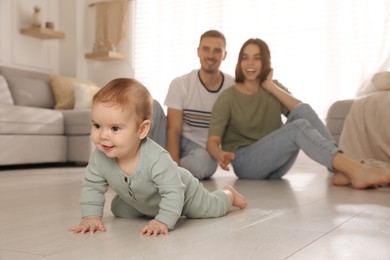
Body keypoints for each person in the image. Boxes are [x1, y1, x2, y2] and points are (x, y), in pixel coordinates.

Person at [69, 78, 247, 236]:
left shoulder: (156, 158)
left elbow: (173, 192)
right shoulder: (99, 157)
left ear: (142, 130)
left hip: (183, 192)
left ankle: (228, 194)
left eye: (114, 128)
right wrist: (91, 217)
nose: (103, 136)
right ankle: (142, 205)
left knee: (211, 209)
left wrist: (163, 220)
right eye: (97, 125)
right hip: (142, 200)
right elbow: (92, 186)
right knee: (118, 209)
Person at [206, 38, 390, 189]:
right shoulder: (228, 97)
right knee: (298, 128)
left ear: (265, 62)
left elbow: (301, 110)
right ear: (239, 63)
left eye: (257, 58)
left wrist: (270, 86)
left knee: (301, 112)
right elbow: (212, 142)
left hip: (277, 167)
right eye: (245, 58)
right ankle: (354, 170)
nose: (250, 63)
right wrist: (220, 154)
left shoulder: (274, 87)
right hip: (247, 164)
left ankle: (342, 170)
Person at [164, 30, 235, 180]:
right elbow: (174, 130)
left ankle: (160, 171)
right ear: (198, 51)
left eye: (217, 51)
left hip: (204, 150)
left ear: (225, 55)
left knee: (205, 164)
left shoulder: (232, 87)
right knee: (152, 107)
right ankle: (151, 167)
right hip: (174, 141)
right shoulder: (181, 84)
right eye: (206, 49)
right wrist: (173, 162)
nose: (210, 55)